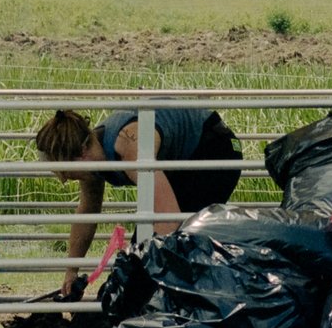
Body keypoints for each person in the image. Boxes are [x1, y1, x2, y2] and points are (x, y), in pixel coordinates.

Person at [32, 104, 246, 284]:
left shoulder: (130, 151)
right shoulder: (94, 157)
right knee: (142, 256)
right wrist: (72, 271)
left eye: (66, 172)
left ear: (80, 153)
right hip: (180, 162)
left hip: (214, 148)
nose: (66, 179)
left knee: (165, 245)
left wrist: (142, 278)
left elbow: (167, 219)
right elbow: (88, 212)